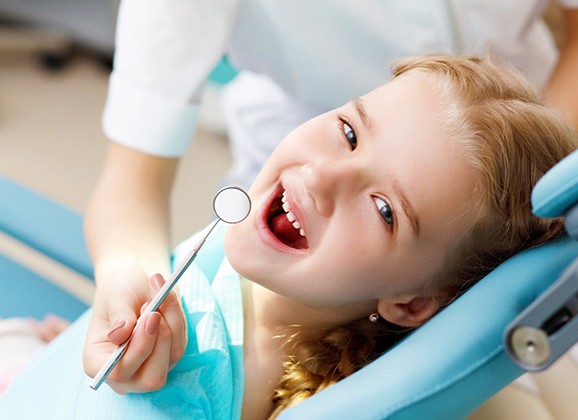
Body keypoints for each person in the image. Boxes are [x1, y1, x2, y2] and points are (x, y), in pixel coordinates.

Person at [1, 55, 577, 418]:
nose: (322, 176)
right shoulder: (269, 248)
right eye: (349, 132)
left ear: (412, 302)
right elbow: (127, 193)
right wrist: (114, 293)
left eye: (383, 209)